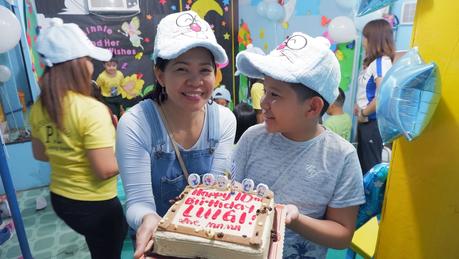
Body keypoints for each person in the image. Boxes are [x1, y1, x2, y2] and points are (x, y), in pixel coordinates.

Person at [115, 10, 236, 259]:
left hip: (205, 238)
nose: (195, 81)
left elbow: (214, 192)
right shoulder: (136, 123)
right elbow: (138, 202)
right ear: (160, 75)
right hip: (156, 240)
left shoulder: (225, 120)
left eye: (205, 70)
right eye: (181, 69)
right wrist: (148, 218)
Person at [233, 32, 365, 258]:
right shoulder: (251, 138)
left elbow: (342, 234)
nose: (263, 103)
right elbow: (233, 197)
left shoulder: (341, 156)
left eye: (274, 94)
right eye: (265, 91)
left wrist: (296, 219)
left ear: (313, 108)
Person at [30, 19, 127, 259]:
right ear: (76, 65)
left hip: (61, 200)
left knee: (98, 247)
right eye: (88, 60)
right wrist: (135, 156)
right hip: (96, 206)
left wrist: (72, 148)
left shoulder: (39, 107)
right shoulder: (91, 109)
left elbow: (40, 154)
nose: (91, 66)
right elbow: (105, 170)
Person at [354, 19, 395, 173]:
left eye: (365, 36)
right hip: (365, 121)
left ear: (373, 39)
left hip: (371, 123)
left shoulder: (381, 62)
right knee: (362, 164)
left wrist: (364, 113)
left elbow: (383, 95)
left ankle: (369, 198)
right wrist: (359, 107)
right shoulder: (372, 63)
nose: (363, 40)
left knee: (369, 169)